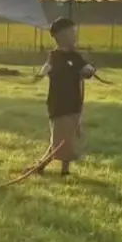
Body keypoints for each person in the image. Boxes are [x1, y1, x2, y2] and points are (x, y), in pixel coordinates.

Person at [33, 17, 96, 176]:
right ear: (61, 36)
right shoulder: (55, 56)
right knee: (60, 140)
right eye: (71, 33)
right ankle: (43, 166)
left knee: (68, 137)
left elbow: (85, 68)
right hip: (59, 104)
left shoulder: (76, 56)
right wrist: (41, 74)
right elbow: (48, 66)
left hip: (74, 103)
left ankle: (62, 170)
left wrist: (90, 70)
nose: (75, 36)